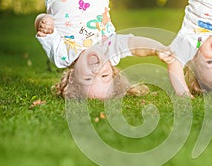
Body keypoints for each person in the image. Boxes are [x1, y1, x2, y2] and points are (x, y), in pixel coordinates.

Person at [35, 0, 173, 99]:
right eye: (104, 76)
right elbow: (134, 45)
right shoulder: (108, 49)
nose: (97, 71)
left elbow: (42, 28)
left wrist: (44, 21)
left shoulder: (62, 56)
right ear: (112, 70)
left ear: (72, 77)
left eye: (89, 78)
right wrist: (156, 49)